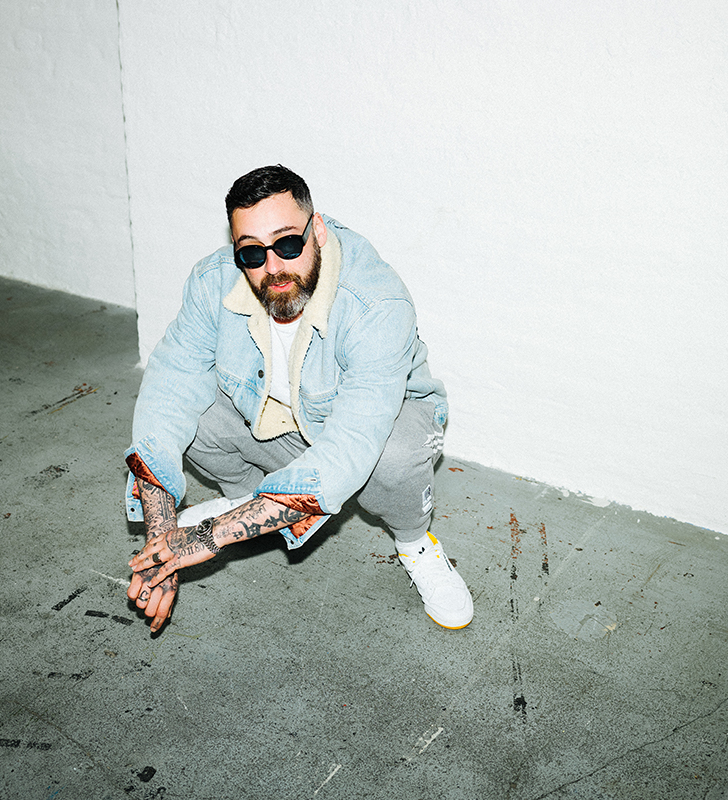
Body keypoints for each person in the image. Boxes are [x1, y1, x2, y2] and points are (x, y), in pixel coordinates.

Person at [123, 165, 472, 632]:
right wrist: (162, 543)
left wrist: (211, 536)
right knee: (193, 412)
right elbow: (169, 390)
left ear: (317, 230)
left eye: (288, 244)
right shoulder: (212, 282)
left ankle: (415, 543)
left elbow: (352, 444)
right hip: (279, 421)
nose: (273, 267)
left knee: (394, 455)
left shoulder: (377, 304)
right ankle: (249, 502)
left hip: (376, 429)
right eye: (252, 252)